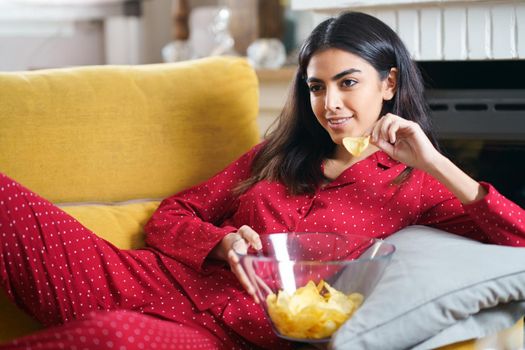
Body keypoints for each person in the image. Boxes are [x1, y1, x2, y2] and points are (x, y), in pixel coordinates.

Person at [1, 11, 524, 350]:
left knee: (111, 337)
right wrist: (222, 242)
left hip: (220, 336)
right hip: (143, 278)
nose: (331, 104)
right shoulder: (275, 155)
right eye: (317, 87)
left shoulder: (415, 187)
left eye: (348, 83)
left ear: (388, 83)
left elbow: (517, 239)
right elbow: (172, 214)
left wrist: (434, 161)